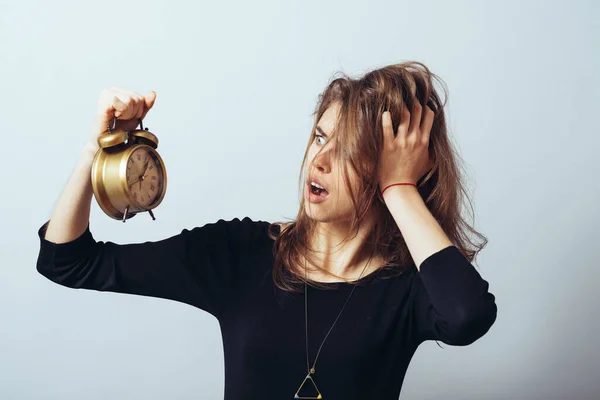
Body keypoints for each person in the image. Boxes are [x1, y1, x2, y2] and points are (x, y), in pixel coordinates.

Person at [36, 61, 497, 399]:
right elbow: (67, 260)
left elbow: (467, 316)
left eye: (350, 149)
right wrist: (96, 152)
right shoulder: (242, 254)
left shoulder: (410, 287)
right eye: (320, 136)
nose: (320, 160)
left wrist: (399, 187)